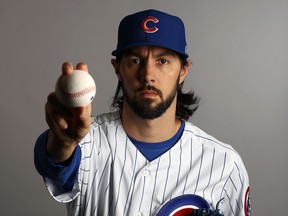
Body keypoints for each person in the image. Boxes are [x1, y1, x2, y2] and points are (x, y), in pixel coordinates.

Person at [34, 9, 251, 216]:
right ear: (117, 68)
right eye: (135, 60)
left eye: (163, 61)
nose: (148, 74)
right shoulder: (87, 142)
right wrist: (63, 143)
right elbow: (54, 163)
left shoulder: (224, 164)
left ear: (183, 71)